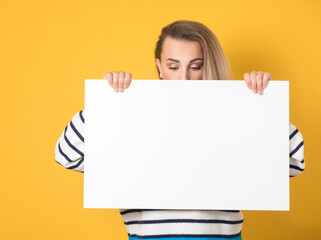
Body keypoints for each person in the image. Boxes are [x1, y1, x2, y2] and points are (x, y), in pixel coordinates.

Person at [54, 20, 305, 240]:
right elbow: (67, 154)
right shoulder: (133, 117)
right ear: (159, 67)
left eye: (195, 66)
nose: (184, 78)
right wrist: (108, 104)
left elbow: (293, 162)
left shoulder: (229, 116)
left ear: (208, 67)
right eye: (174, 67)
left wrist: (260, 105)